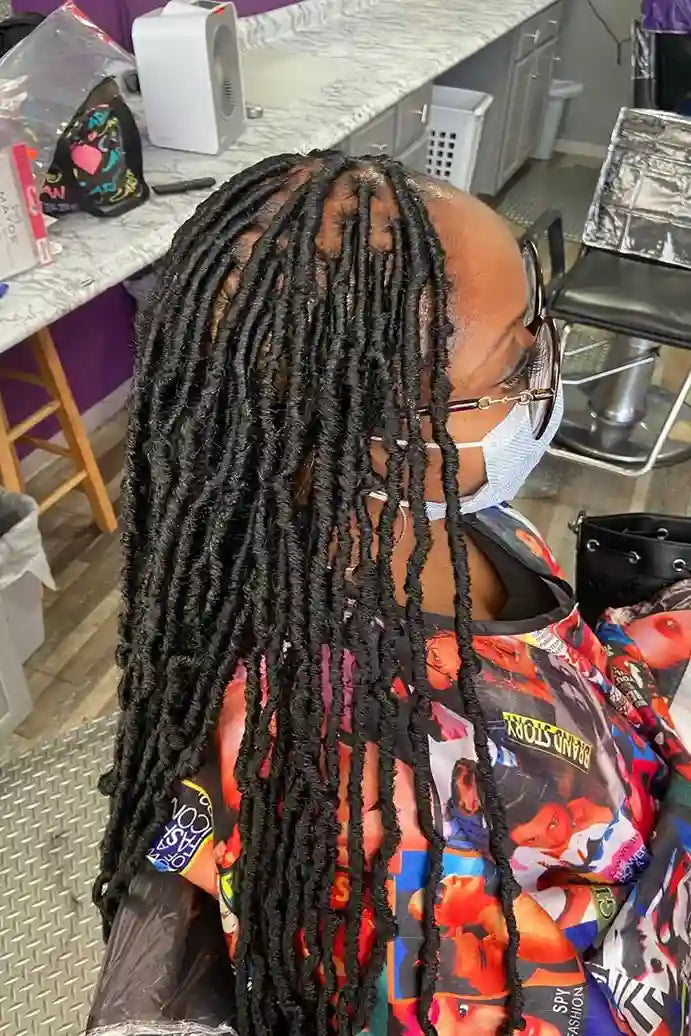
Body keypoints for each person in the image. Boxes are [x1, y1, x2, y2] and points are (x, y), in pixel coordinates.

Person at [90, 152, 691, 1036]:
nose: (547, 369)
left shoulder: (456, 523)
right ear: (374, 428)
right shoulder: (369, 790)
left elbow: (538, 685)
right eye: (515, 362)